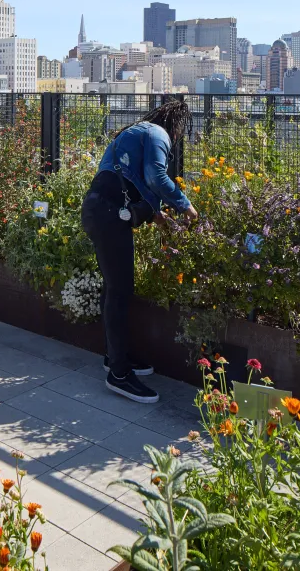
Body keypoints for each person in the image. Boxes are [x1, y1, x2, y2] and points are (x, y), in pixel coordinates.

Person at [81, 95, 198, 404]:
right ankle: (119, 374)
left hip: (98, 211)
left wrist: (155, 213)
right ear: (176, 127)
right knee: (120, 291)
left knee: (113, 287)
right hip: (109, 215)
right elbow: (156, 176)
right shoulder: (157, 134)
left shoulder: (135, 132)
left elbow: (127, 179)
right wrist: (185, 206)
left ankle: (114, 357)